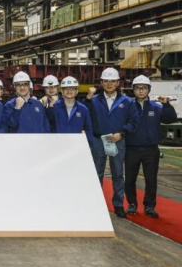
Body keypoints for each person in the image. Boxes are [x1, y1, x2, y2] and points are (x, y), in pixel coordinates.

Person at [85, 67, 139, 218]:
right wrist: (88, 98)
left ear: (118, 83)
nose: (109, 84)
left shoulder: (127, 102)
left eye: (113, 81)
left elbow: (134, 121)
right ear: (101, 82)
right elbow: (84, 115)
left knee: (118, 173)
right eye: (106, 81)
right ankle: (95, 204)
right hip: (98, 140)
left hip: (117, 140)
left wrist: (121, 133)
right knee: (97, 173)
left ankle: (118, 205)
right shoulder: (93, 100)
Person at [125, 75, 177, 218]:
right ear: (133, 90)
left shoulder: (157, 107)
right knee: (130, 179)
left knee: (151, 180)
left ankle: (149, 206)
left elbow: (170, 119)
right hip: (132, 148)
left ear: (149, 90)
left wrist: (167, 105)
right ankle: (132, 204)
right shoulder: (127, 107)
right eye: (137, 88)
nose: (141, 91)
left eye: (144, 88)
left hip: (151, 150)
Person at [46, 77, 94, 147]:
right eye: (66, 88)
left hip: (76, 146)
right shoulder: (54, 107)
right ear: (62, 91)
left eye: (72, 88)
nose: (69, 91)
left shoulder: (83, 109)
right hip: (57, 146)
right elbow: (47, 124)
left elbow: (88, 130)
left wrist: (88, 146)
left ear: (77, 91)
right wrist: (50, 106)